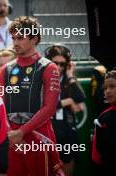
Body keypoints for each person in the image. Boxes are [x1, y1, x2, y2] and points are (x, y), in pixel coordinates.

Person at [0, 16, 64, 176]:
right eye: (13, 38)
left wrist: (21, 132)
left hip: (39, 137)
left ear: (34, 39)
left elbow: (50, 108)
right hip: (12, 140)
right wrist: (11, 135)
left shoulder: (49, 67)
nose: (15, 43)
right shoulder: (5, 69)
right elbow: (1, 105)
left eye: (20, 38)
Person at [45, 43, 86, 176]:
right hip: (48, 131)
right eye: (54, 63)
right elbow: (42, 105)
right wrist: (67, 101)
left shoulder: (68, 80)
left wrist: (70, 74)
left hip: (67, 131)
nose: (58, 67)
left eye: (62, 64)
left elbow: (80, 99)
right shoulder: (41, 79)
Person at [92, 70, 116, 176]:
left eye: (112, 86)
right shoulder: (103, 117)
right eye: (105, 88)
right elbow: (96, 156)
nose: (108, 91)